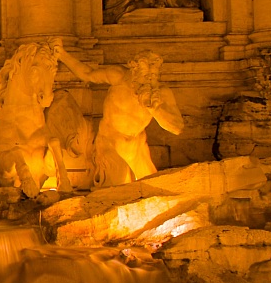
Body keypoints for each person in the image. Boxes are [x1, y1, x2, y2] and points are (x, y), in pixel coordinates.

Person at [53, 43, 183, 186]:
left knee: (153, 186)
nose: (149, 80)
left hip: (137, 146)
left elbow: (177, 127)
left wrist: (155, 110)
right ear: (134, 71)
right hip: (110, 143)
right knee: (121, 182)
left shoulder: (161, 93)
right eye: (145, 75)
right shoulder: (118, 76)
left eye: (153, 76)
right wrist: (62, 55)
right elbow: (87, 74)